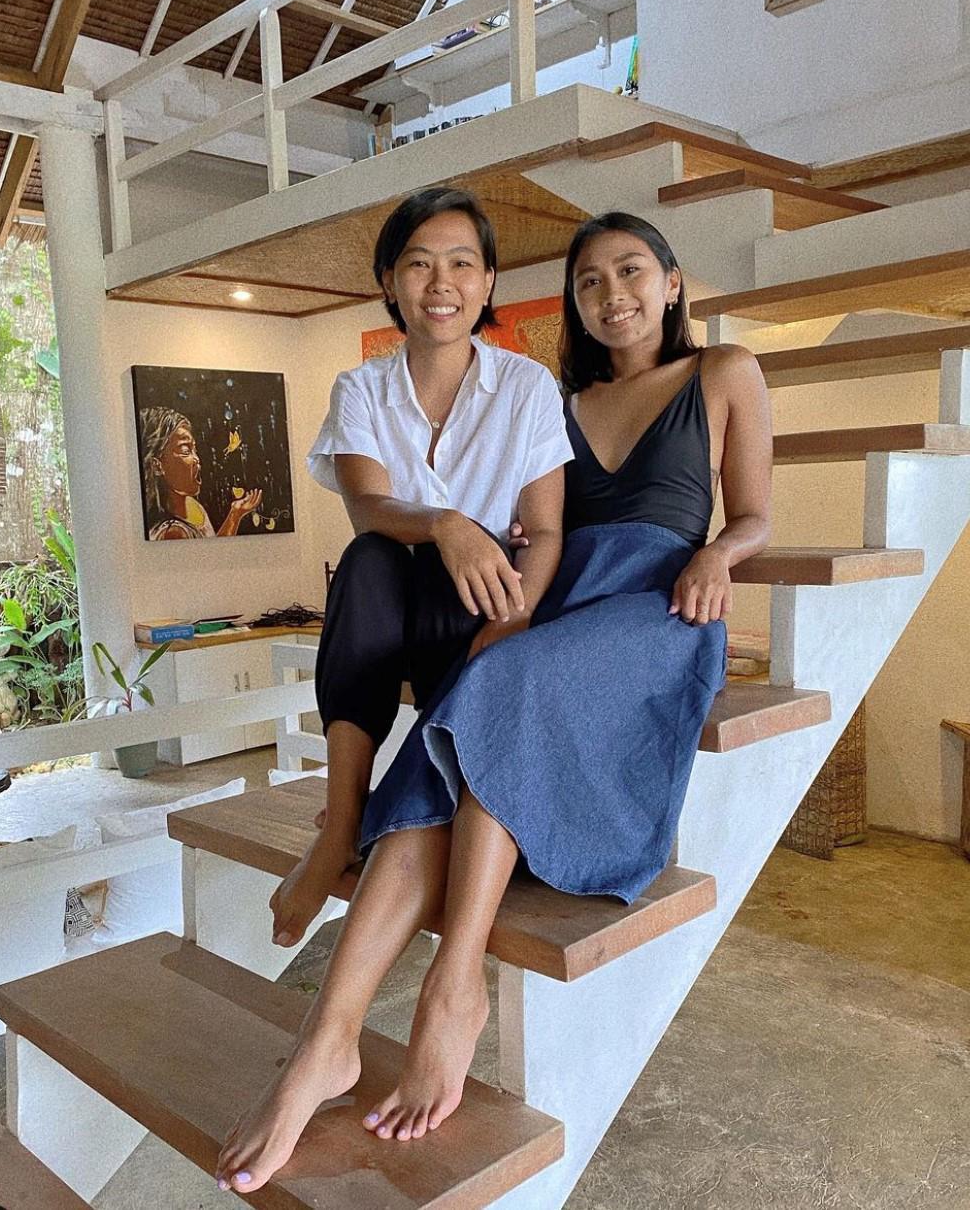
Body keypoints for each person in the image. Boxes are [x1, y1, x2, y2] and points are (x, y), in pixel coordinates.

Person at [215, 212, 772, 1193]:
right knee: (455, 729)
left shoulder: (722, 374)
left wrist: (719, 555)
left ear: (673, 283)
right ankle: (325, 1040)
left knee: (494, 689)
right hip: (557, 601)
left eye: (632, 273)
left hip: (656, 609)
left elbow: (756, 511)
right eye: (591, 282)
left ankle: (452, 983)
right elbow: (531, 518)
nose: (613, 296)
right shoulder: (556, 396)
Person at [265, 186, 572, 950]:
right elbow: (368, 506)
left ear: (489, 281)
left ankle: (403, 820)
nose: (442, 285)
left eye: (463, 264)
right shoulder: (360, 388)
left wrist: (515, 620)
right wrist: (447, 523)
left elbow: (546, 532)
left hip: (478, 613)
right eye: (420, 264)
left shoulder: (528, 387)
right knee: (370, 558)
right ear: (389, 281)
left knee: (408, 566)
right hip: (384, 612)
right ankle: (341, 826)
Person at [138, 407, 262, 540]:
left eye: (194, 449)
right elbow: (214, 557)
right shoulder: (173, 532)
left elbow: (213, 550)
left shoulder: (192, 505)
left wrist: (235, 513)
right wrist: (234, 516)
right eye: (186, 450)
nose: (196, 459)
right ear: (157, 466)